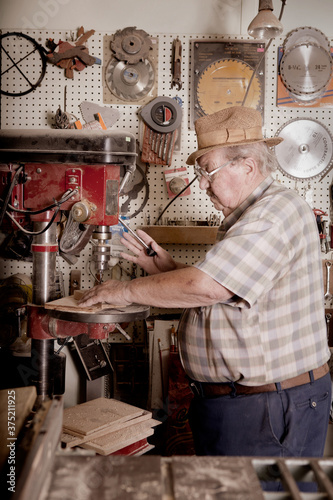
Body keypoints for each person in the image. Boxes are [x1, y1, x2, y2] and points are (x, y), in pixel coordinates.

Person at [79, 106, 331, 460]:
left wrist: (121, 291)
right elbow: (231, 290)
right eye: (199, 172)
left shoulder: (275, 213)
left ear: (247, 166)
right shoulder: (248, 218)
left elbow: (210, 287)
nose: (203, 183)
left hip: (268, 408)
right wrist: (166, 267)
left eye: (208, 170)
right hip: (244, 403)